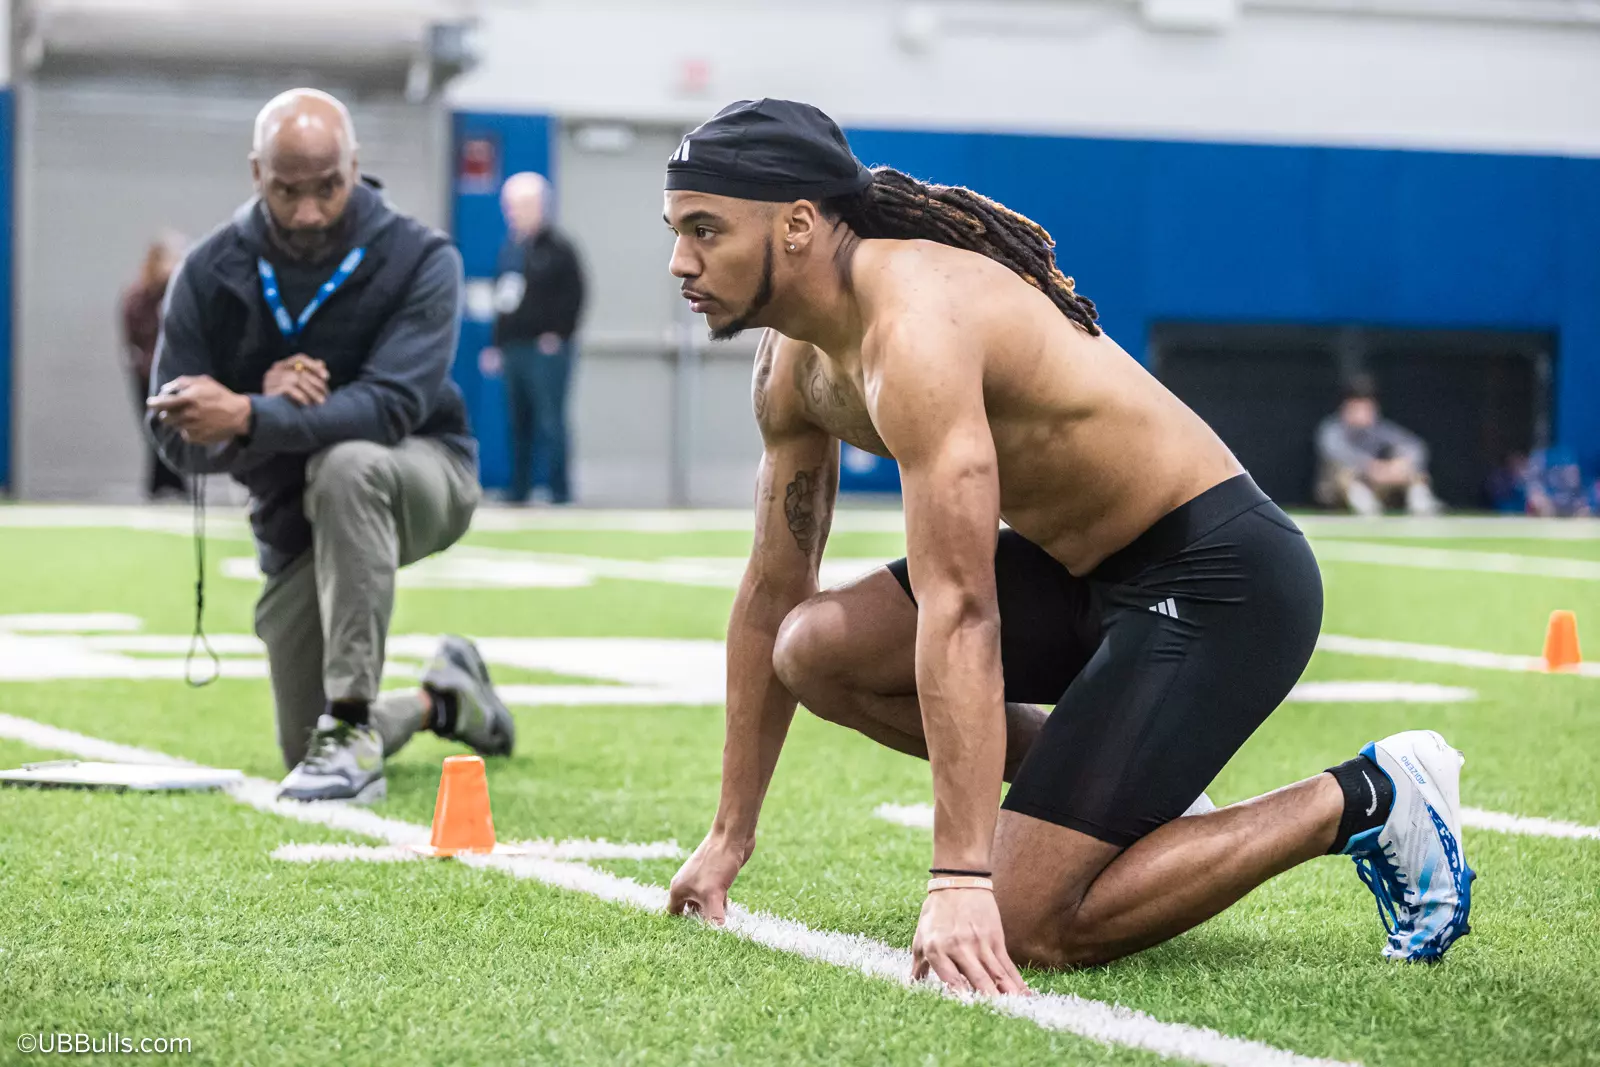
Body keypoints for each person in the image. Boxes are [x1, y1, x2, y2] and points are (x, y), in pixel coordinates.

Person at [660, 99, 1474, 992]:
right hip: (1080, 572)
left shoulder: (916, 326)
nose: (680, 262)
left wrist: (962, 877)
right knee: (811, 647)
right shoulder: (791, 364)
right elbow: (773, 593)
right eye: (677, 231)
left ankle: (1372, 793)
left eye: (706, 231)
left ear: (800, 224)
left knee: (1028, 919)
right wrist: (729, 834)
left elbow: (962, 607)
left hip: (1219, 580)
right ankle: (1124, 801)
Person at [145, 88, 515, 803]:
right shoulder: (208, 271)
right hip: (292, 512)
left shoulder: (419, 257)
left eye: (327, 187)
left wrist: (251, 413)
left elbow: (392, 406)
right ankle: (445, 699)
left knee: (348, 465)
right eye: (288, 191)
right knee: (298, 741)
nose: (309, 210)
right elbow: (173, 432)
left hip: (423, 470)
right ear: (256, 172)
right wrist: (255, 401)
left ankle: (351, 722)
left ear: (355, 164)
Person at [479, 172, 586, 505]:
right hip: (514, 349)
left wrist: (558, 334)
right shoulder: (511, 249)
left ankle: (559, 491)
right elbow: (503, 301)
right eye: (509, 206)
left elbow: (576, 295)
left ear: (540, 206)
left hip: (546, 350)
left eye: (520, 205)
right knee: (518, 421)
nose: (513, 213)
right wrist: (496, 345)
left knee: (550, 422)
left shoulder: (559, 249)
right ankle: (519, 489)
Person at [1314, 375, 1441, 517]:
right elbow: (1336, 453)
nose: (1361, 413)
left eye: (1366, 408)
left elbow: (1416, 447)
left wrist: (1397, 466)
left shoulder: (1380, 429)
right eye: (1356, 408)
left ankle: (1420, 503)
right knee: (1343, 473)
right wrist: (1371, 467)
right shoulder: (1332, 429)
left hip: (1379, 486)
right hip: (1340, 492)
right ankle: (1363, 505)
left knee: (1413, 470)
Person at [122, 233, 189, 500]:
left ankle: (176, 483)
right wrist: (144, 364)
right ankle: (157, 485)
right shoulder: (137, 297)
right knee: (154, 428)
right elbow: (132, 337)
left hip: (175, 376)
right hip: (145, 377)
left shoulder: (182, 292)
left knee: (176, 428)